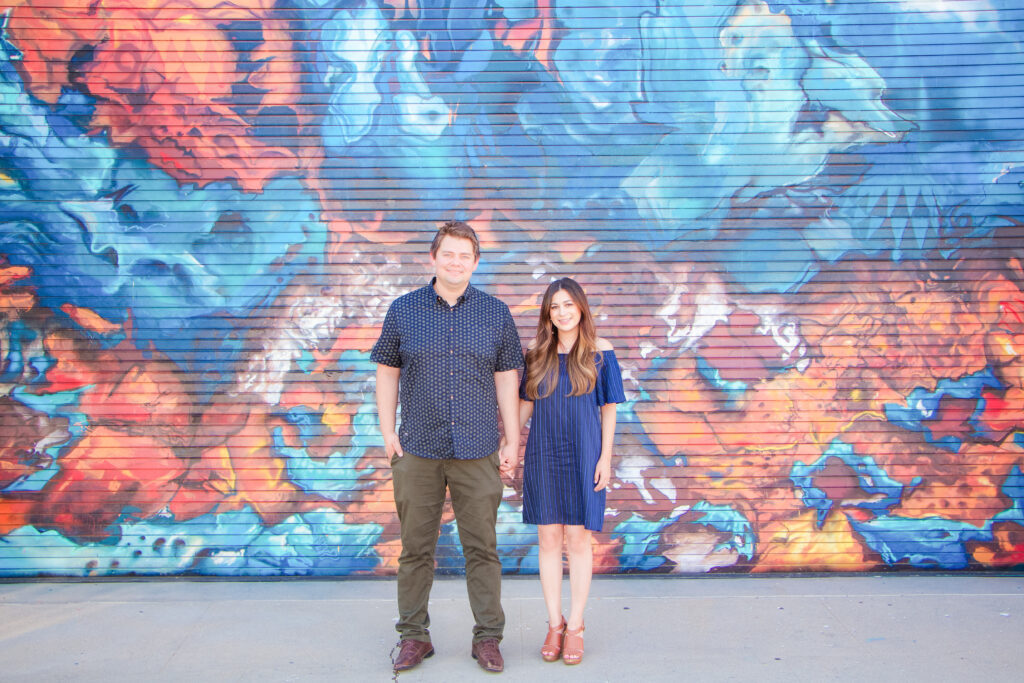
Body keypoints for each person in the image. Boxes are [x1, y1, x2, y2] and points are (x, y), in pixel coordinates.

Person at [370, 221, 523, 674]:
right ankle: (414, 636)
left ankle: (488, 638)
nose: (456, 262)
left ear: (476, 262)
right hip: (418, 446)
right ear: (433, 258)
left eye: (465, 256)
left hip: (478, 448)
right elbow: (386, 371)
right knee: (416, 549)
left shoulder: (495, 314)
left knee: (483, 549)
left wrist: (512, 438)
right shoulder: (404, 311)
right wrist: (387, 430)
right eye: (449, 254)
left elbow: (507, 378)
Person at [516, 277, 626, 665]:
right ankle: (554, 623)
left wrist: (605, 458)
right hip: (544, 453)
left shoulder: (600, 352)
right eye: (554, 306)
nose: (562, 313)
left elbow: (609, 408)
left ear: (581, 307)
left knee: (578, 541)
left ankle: (576, 625)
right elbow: (526, 405)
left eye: (568, 305)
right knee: (548, 540)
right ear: (547, 312)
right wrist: (508, 443)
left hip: (584, 453)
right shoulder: (536, 352)